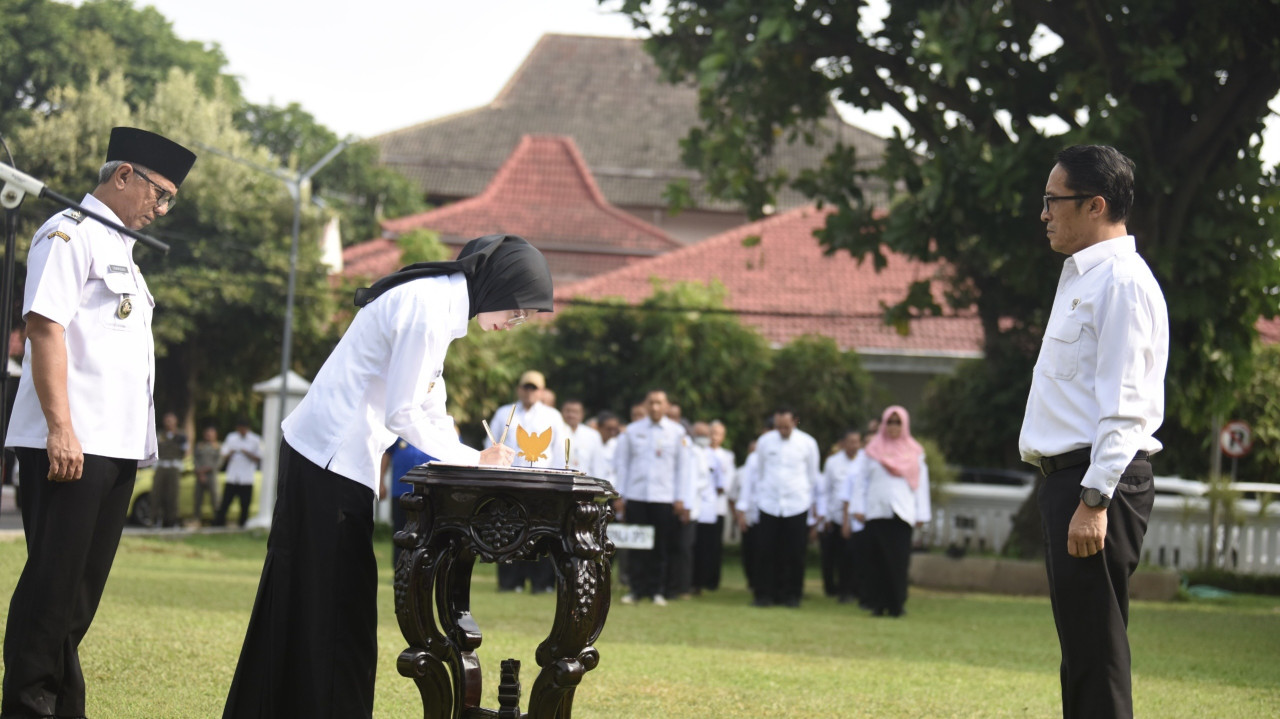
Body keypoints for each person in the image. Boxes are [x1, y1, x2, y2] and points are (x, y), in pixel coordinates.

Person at [223, 233, 549, 719]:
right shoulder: (429, 308)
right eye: (518, 312)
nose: (513, 324)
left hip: (329, 460)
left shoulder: (439, 304)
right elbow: (403, 414)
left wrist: (473, 455)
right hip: (329, 460)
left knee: (313, 598)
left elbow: (428, 406)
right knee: (336, 607)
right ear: (499, 285)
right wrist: (469, 460)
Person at [2, 126, 196, 719]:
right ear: (123, 175)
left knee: (79, 594)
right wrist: (61, 427)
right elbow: (44, 327)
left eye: (168, 202)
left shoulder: (123, 255)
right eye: (158, 194)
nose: (159, 210)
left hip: (113, 448)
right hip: (69, 442)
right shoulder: (67, 235)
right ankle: (27, 705)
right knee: (52, 586)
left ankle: (63, 705)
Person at [1019, 145, 1168, 719]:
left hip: (1096, 482)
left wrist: (1095, 497)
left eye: (1054, 201)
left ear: (1095, 205)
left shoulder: (1123, 284)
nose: (1045, 213)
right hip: (1072, 481)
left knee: (1096, 652)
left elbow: (1127, 406)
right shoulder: (1084, 279)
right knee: (1082, 648)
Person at [485, 369, 565, 593]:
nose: (529, 392)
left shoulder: (553, 416)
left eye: (534, 388)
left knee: (540, 531)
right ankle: (510, 582)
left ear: (541, 391)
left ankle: (540, 582)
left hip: (542, 481)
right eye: (526, 387)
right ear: (519, 389)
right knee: (508, 529)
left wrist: (558, 484)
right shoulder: (504, 413)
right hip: (509, 479)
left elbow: (559, 451)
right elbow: (490, 444)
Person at [847, 406, 930, 618]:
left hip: (902, 514)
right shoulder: (872, 451)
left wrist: (922, 514)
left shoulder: (915, 451)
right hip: (877, 512)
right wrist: (858, 507)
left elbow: (921, 485)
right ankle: (877, 604)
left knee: (898, 562)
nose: (893, 427)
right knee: (876, 561)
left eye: (897, 422)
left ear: (905, 425)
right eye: (890, 422)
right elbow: (861, 482)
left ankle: (896, 604)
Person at [612, 389, 692, 606]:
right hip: (637, 495)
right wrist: (620, 494)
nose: (655, 407)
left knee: (661, 546)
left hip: (664, 497)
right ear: (645, 406)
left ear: (666, 406)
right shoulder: (632, 431)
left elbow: (683, 469)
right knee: (637, 545)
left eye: (659, 403)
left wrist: (681, 498)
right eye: (651, 403)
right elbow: (623, 464)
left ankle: (658, 590)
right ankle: (636, 589)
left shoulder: (677, 433)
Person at [736, 408, 822, 608]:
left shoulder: (808, 443)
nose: (782, 430)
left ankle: (792, 595)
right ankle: (764, 595)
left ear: (795, 422)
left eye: (786, 426)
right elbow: (762, 471)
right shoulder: (765, 442)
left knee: (795, 553)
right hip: (769, 504)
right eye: (778, 426)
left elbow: (812, 476)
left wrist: (806, 498)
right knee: (765, 551)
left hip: (796, 504)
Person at [692, 420, 734, 595]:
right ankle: (697, 579)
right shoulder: (701, 453)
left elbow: (729, 477)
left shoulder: (727, 456)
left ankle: (712, 580)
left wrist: (723, 486)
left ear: (723, 437)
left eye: (719, 433)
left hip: (719, 505)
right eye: (712, 433)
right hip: (702, 505)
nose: (715, 437)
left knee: (715, 545)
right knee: (700, 544)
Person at [380, 438, 436, 566]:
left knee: (428, 536)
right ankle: (400, 572)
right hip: (401, 492)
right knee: (401, 534)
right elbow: (386, 453)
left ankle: (426, 570)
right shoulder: (398, 426)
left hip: (431, 494)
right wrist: (380, 481)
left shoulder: (442, 424)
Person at [824, 429, 863, 603]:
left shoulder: (865, 461)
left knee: (858, 555)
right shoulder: (833, 462)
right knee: (841, 556)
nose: (854, 445)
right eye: (850, 442)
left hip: (861, 517)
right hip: (839, 516)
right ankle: (842, 590)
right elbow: (826, 491)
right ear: (843, 443)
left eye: (857, 442)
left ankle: (858, 590)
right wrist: (826, 516)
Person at [214, 418, 261, 528]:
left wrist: (246, 452)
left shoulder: (255, 439)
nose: (241, 431)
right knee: (225, 502)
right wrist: (231, 452)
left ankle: (242, 524)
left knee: (245, 504)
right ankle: (219, 524)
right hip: (232, 476)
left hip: (246, 478)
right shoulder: (231, 438)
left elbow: (259, 457)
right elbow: (224, 454)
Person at [152, 411, 188, 528]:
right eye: (166, 420)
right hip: (161, 466)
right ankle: (156, 519)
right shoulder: (159, 434)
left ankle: (172, 521)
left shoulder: (181, 436)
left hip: (173, 466)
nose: (168, 423)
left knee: (172, 494)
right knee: (157, 493)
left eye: (171, 420)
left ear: (175, 422)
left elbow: (184, 451)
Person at [561, 399, 604, 476]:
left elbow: (598, 465)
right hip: (559, 480)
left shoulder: (593, 435)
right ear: (562, 412)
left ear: (582, 414)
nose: (571, 415)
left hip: (585, 482)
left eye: (575, 412)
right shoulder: (555, 432)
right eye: (568, 411)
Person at [193, 425, 222, 525]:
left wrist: (206, 469)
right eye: (207, 433)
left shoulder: (218, 446)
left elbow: (219, 462)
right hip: (199, 475)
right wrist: (200, 472)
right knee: (197, 497)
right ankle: (196, 519)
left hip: (212, 475)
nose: (208, 435)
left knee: (215, 497)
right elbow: (195, 459)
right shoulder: (200, 445)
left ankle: (217, 519)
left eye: (211, 434)